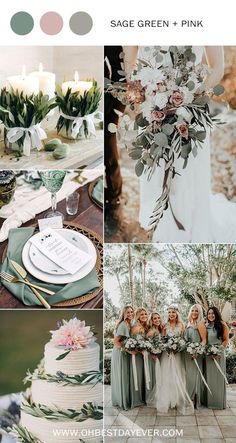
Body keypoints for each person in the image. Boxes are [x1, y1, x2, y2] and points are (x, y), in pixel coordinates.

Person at [122, 46, 236, 243]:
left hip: (190, 113)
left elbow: (217, 67)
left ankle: (189, 230)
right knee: (156, 174)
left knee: (187, 176)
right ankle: (162, 228)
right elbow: (130, 62)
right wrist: (146, 90)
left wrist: (188, 97)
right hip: (154, 112)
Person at [156, 306, 193, 414]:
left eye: (173, 312)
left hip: (177, 355)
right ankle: (166, 400)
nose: (171, 314)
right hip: (166, 355)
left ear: (177, 314)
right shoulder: (164, 325)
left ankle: (177, 400)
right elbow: (162, 339)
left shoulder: (181, 325)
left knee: (177, 375)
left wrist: (177, 348)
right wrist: (167, 348)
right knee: (166, 375)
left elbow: (183, 340)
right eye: (169, 312)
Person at [205, 306, 229, 409]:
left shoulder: (222, 325)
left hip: (218, 355)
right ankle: (210, 402)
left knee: (218, 378)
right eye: (209, 313)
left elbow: (225, 341)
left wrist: (217, 351)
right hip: (208, 356)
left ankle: (218, 403)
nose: (211, 315)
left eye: (213, 313)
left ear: (217, 314)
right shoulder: (207, 326)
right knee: (209, 378)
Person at [111, 305, 134, 410]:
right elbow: (115, 342)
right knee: (122, 376)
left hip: (124, 352)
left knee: (125, 376)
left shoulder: (129, 324)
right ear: (124, 314)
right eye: (128, 312)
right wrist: (128, 350)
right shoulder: (123, 325)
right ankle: (122, 402)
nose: (130, 314)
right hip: (120, 352)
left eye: (131, 312)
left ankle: (124, 399)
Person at [185, 304, 207, 408]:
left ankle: (194, 399)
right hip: (188, 354)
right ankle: (189, 397)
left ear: (200, 313)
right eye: (193, 310)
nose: (194, 312)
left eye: (196, 311)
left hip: (196, 355)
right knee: (189, 376)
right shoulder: (189, 323)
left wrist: (197, 352)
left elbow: (204, 340)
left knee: (195, 376)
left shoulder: (200, 323)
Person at [130, 307, 148, 408]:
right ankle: (136, 399)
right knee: (137, 375)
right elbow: (133, 341)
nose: (144, 316)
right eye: (142, 314)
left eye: (145, 314)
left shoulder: (144, 325)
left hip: (142, 355)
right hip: (137, 355)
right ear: (137, 316)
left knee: (142, 376)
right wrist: (138, 350)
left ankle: (142, 398)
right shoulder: (136, 327)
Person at [146, 311, 163, 406]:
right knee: (155, 376)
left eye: (158, 318)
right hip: (153, 357)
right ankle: (154, 396)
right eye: (155, 318)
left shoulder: (159, 329)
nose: (157, 320)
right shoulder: (151, 331)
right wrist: (152, 353)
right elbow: (147, 343)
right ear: (151, 321)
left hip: (160, 355)